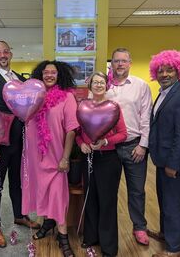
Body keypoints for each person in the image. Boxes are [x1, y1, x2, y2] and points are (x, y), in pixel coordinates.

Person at [0, 41, 40, 248]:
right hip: (0, 144)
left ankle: (20, 215)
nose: (3, 55)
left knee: (18, 181)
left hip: (21, 143)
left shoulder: (20, 79)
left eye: (6, 51)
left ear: (11, 54)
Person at [22, 60, 79, 257]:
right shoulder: (33, 97)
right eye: (45, 72)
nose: (49, 75)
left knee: (58, 196)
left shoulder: (67, 98)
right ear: (40, 75)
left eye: (53, 72)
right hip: (35, 156)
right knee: (42, 193)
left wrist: (65, 158)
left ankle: (63, 237)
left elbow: (71, 130)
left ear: (59, 75)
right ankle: (47, 223)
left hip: (56, 158)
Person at [148, 50, 180, 257]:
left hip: (173, 162)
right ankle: (166, 234)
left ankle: (174, 249)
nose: (165, 74)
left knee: (172, 203)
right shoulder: (164, 93)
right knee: (163, 199)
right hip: (162, 159)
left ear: (179, 71)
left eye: (169, 70)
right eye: (160, 71)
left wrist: (173, 164)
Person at [76, 72, 127, 257]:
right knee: (90, 198)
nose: (98, 85)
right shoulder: (82, 107)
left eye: (102, 82)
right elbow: (78, 133)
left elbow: (123, 134)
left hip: (108, 160)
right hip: (88, 159)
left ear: (107, 85)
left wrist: (105, 142)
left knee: (107, 202)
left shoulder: (114, 107)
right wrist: (81, 144)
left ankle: (108, 246)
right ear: (90, 86)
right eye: (95, 82)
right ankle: (91, 237)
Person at [106, 48, 152, 245]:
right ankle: (107, 228)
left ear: (130, 63)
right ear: (112, 64)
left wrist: (143, 145)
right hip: (109, 149)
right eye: (116, 61)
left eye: (124, 61)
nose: (120, 64)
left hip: (134, 147)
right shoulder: (104, 86)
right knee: (109, 190)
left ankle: (139, 227)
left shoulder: (140, 86)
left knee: (137, 191)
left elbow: (146, 118)